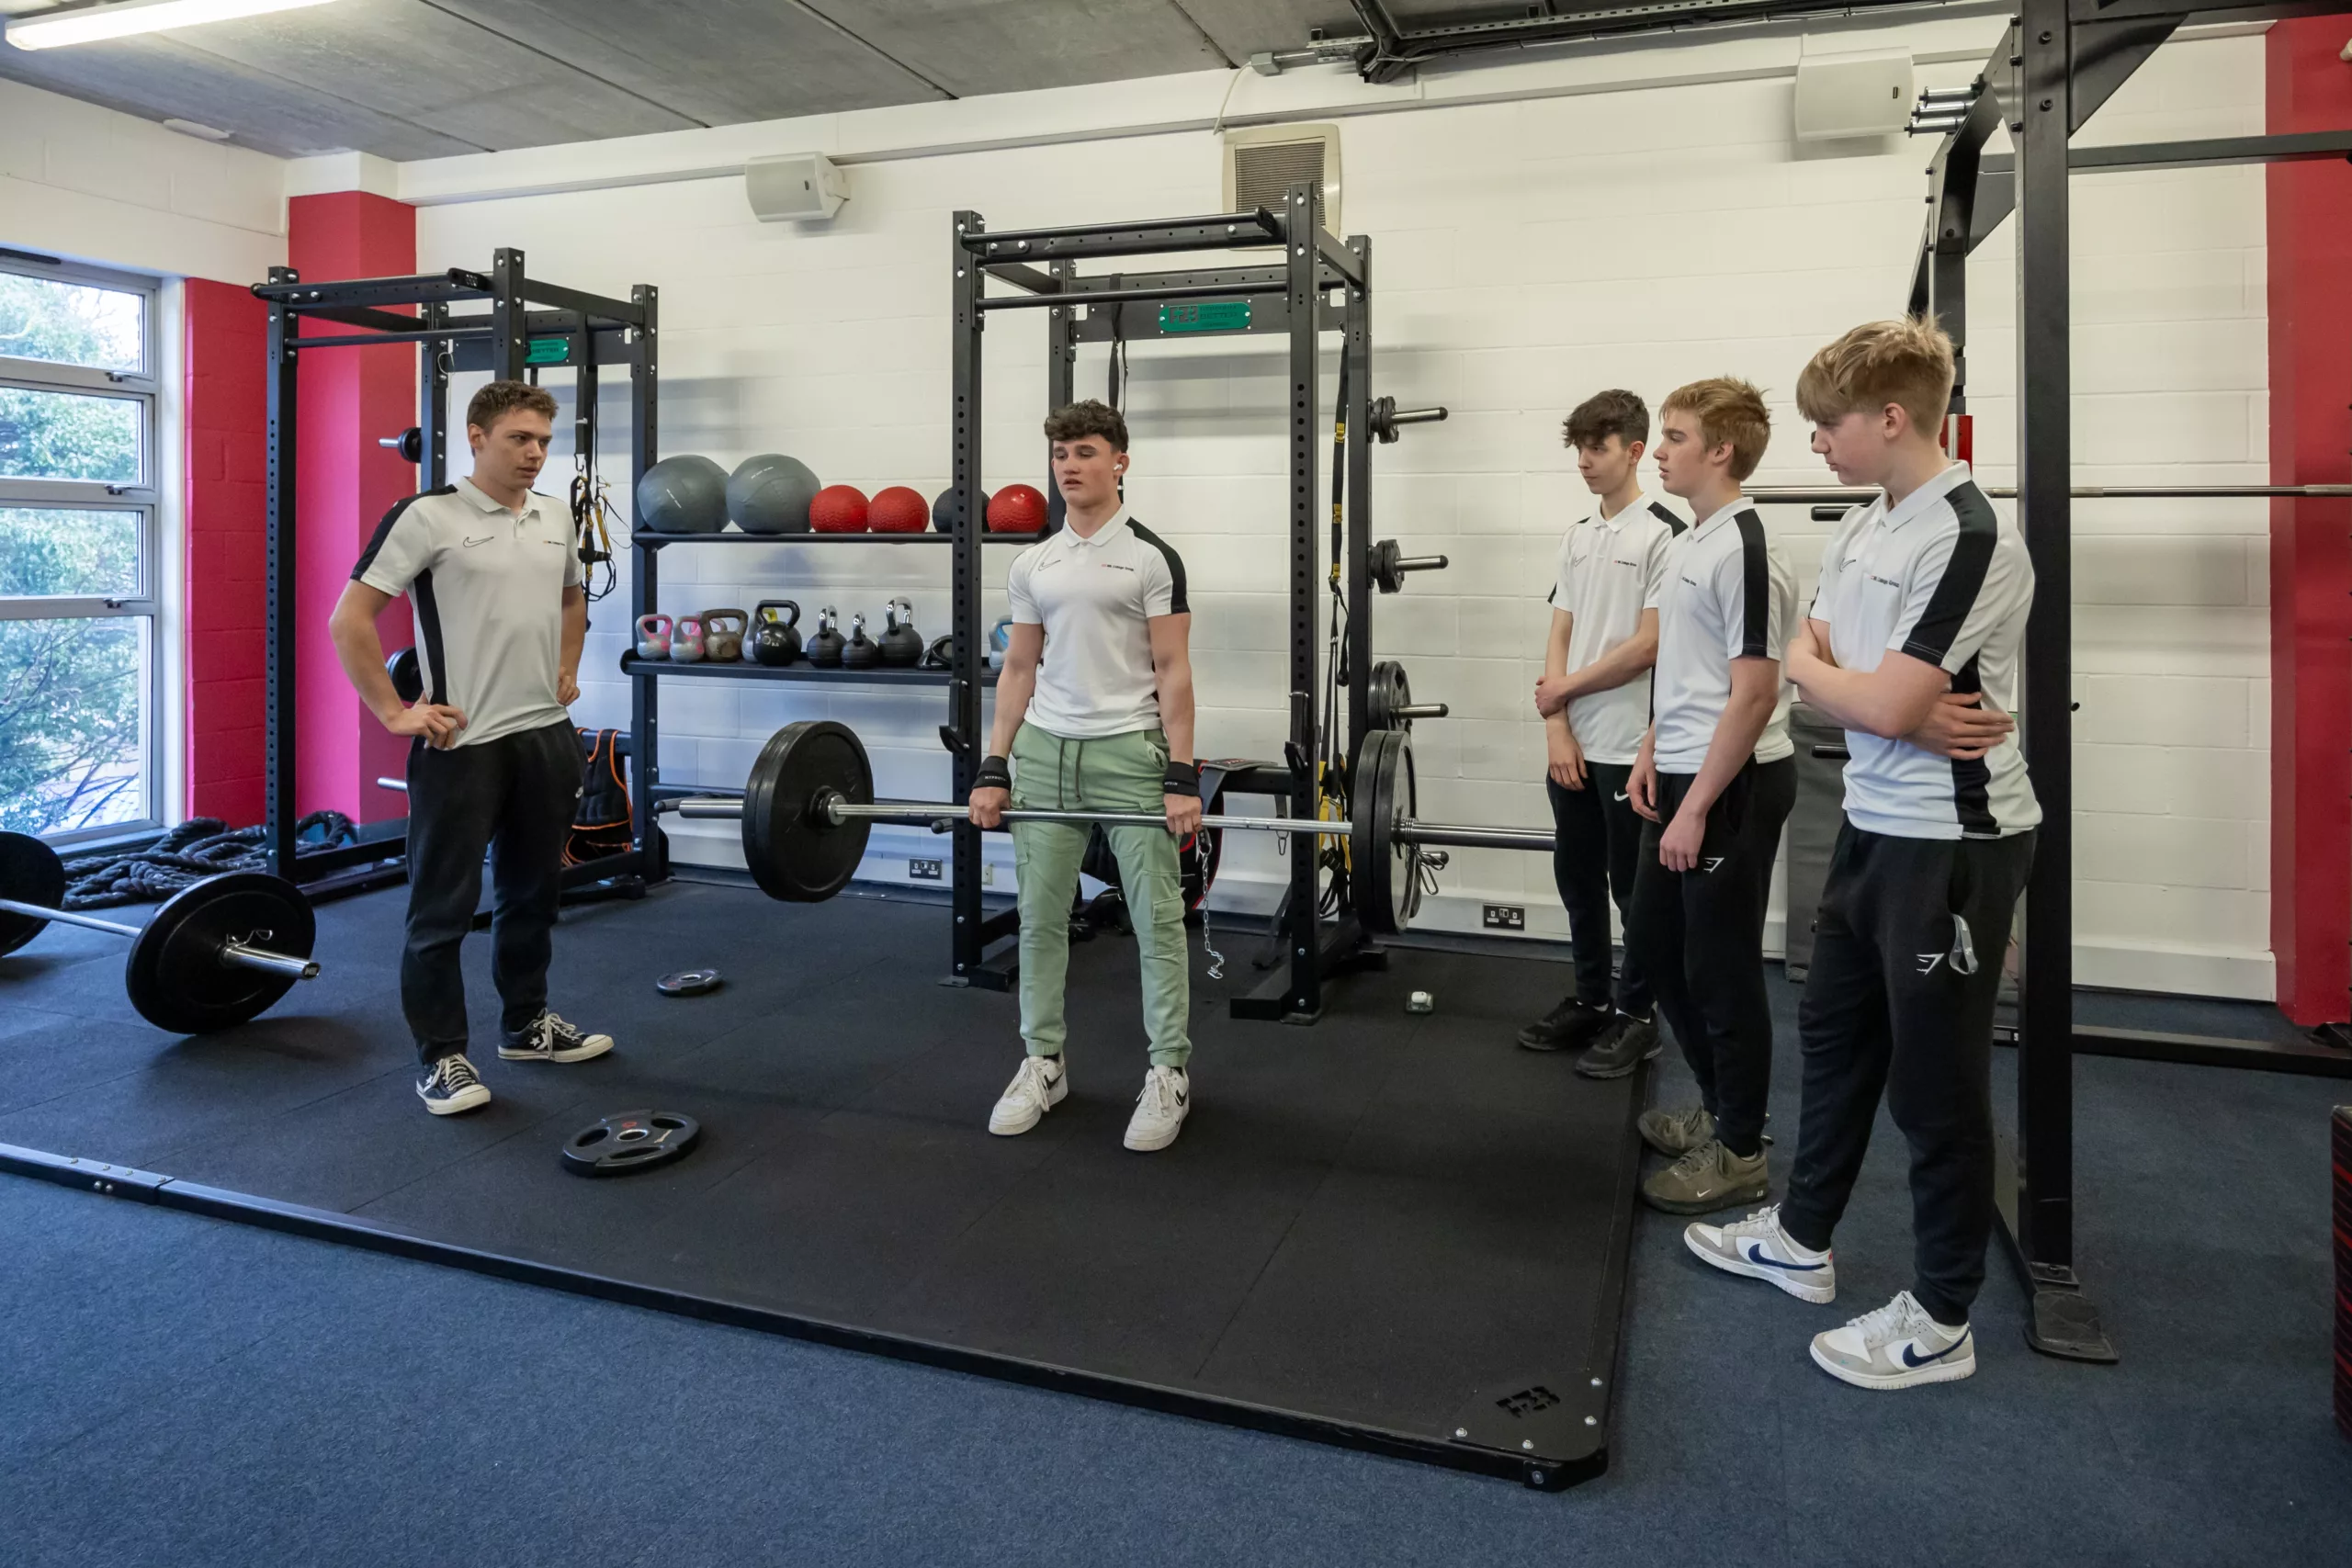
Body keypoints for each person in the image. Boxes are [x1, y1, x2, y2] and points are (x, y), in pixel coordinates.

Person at [1682, 318, 2037, 1392]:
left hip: (1953, 845)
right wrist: (1887, 705)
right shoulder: (1861, 525)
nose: (1815, 445)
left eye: (1826, 425)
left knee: (1934, 1087)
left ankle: (1940, 1316)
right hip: (1871, 827)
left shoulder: (1971, 537)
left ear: (1890, 418)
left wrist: (1881, 702)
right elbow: (1809, 657)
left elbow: (1849, 683)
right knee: (1832, 1042)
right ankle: (1800, 1239)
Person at [329, 379, 612, 1117]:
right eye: (520, 438)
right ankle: (442, 1057)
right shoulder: (427, 516)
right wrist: (393, 712)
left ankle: (526, 1025)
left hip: (543, 734)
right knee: (441, 911)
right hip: (464, 742)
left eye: (544, 441)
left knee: (532, 895)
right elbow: (349, 618)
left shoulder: (554, 515)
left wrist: (568, 668)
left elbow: (571, 596)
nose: (535, 454)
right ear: (477, 437)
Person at [969, 400, 1202, 1153]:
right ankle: (1044, 1061)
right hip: (1045, 754)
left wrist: (1181, 773)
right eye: (1061, 453)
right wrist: (994, 764)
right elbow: (1017, 668)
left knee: (1156, 920)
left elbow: (1173, 672)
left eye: (1086, 451)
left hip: (1128, 752)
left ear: (1120, 462)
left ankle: (1168, 1071)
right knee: (1040, 920)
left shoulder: (1150, 558)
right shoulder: (1033, 562)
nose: (1070, 465)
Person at [1623, 378, 1797, 1214]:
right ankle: (1720, 1106)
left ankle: (1740, 1149)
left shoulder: (1746, 546)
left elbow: (1755, 693)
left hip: (1737, 781)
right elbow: (1688, 673)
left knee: (1721, 969)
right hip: (1686, 768)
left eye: (1675, 435)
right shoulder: (1692, 540)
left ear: (1720, 450)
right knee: (1656, 946)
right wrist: (1654, 749)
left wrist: (1697, 806)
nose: (1659, 448)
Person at [1521, 389, 1684, 1078]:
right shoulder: (1577, 535)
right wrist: (1557, 723)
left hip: (1630, 746)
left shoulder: (1666, 532)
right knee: (1576, 879)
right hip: (1576, 744)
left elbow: (1649, 644)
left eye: (1599, 447)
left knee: (1632, 891)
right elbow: (1560, 631)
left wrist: (1565, 692)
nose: (1586, 461)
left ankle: (1638, 1015)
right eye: (1580, 448)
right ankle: (1592, 996)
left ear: (1635, 450)